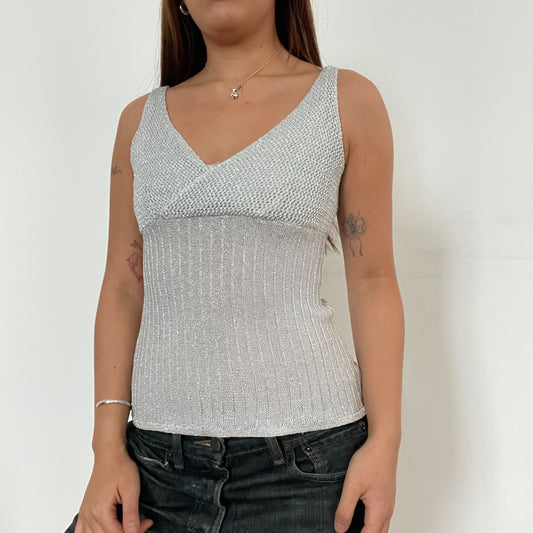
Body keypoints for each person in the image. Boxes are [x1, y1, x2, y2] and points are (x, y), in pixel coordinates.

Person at [63, 1, 404, 532]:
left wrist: (385, 442)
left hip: (307, 470)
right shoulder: (139, 123)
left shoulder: (346, 101)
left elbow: (373, 280)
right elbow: (123, 286)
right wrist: (106, 448)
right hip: (154, 468)